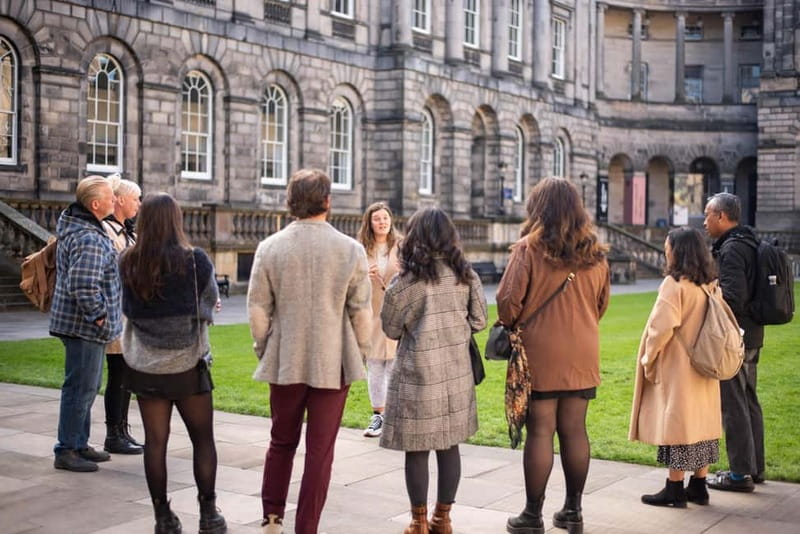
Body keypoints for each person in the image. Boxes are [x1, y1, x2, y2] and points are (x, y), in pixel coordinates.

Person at [247, 168, 372, 534]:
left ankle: (272, 518)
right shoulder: (351, 249)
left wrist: (263, 348)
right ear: (328, 201)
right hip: (334, 361)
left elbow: (257, 311)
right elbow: (361, 312)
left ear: (291, 201)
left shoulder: (270, 247)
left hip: (286, 355)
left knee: (281, 440)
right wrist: (361, 353)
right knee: (320, 450)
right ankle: (307, 526)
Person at [497, 177, 610, 534]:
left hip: (541, 349)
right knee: (575, 429)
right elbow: (601, 305)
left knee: (541, 431)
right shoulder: (597, 253)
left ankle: (533, 515)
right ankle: (573, 511)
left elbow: (507, 304)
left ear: (539, 206)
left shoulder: (528, 248)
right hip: (583, 349)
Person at [119, 193, 226, 534]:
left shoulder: (127, 260)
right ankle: (209, 515)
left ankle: (162, 518)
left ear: (145, 221)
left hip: (146, 366)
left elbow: (128, 310)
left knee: (155, 442)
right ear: (176, 220)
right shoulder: (195, 260)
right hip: (187, 365)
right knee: (203, 440)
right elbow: (208, 307)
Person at [379, 207, 488, 534]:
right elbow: (480, 320)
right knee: (449, 445)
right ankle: (443, 519)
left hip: (416, 375)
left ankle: (419, 521)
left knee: (417, 448)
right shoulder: (465, 274)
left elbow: (390, 328)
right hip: (455, 374)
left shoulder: (405, 282)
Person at [629, 227, 722, 509]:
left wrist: (648, 358)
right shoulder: (710, 283)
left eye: (668, 245)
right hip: (706, 364)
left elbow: (660, 328)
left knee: (678, 427)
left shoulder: (674, 284)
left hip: (679, 367)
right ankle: (699, 485)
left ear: (677, 251)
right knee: (703, 425)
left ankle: (674, 488)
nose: (665, 249)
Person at [49, 175, 121, 473]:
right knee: (80, 388)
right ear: (95, 204)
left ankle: (79, 442)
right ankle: (67, 449)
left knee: (87, 386)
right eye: (110, 197)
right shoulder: (89, 237)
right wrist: (101, 317)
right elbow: (83, 285)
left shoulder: (83, 226)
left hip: (80, 325)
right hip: (84, 326)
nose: (115, 201)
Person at [703, 192, 764, 492]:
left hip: (734, 338)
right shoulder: (749, 242)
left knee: (735, 404)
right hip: (752, 335)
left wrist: (709, 294)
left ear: (722, 217)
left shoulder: (732, 249)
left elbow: (732, 296)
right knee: (749, 399)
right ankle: (756, 467)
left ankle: (740, 473)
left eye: (708, 215)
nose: (705, 222)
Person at [101, 175, 143, 455]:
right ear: (119, 200)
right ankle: (113, 434)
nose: (139, 204)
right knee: (118, 374)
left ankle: (122, 429)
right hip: (116, 314)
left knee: (126, 374)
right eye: (135, 199)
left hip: (131, 315)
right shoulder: (106, 231)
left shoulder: (129, 233)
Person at [356, 201, 401, 438]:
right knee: (374, 365)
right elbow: (348, 280)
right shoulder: (360, 248)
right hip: (371, 314)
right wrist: (364, 274)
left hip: (396, 315)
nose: (382, 222)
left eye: (385, 217)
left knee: (394, 365)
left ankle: (394, 416)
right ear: (369, 222)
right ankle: (378, 415)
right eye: (377, 219)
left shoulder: (401, 246)